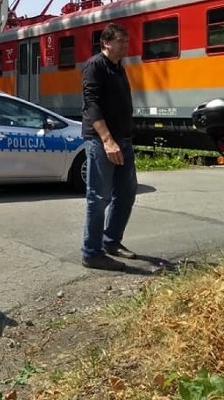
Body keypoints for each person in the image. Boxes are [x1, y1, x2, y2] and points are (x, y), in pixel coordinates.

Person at [80, 23, 138, 271]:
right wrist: (107, 140)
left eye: (126, 41)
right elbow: (91, 104)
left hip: (123, 140)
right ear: (106, 42)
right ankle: (91, 253)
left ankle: (111, 241)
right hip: (102, 140)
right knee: (99, 197)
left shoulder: (118, 67)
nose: (126, 45)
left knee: (126, 193)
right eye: (121, 41)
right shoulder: (95, 66)